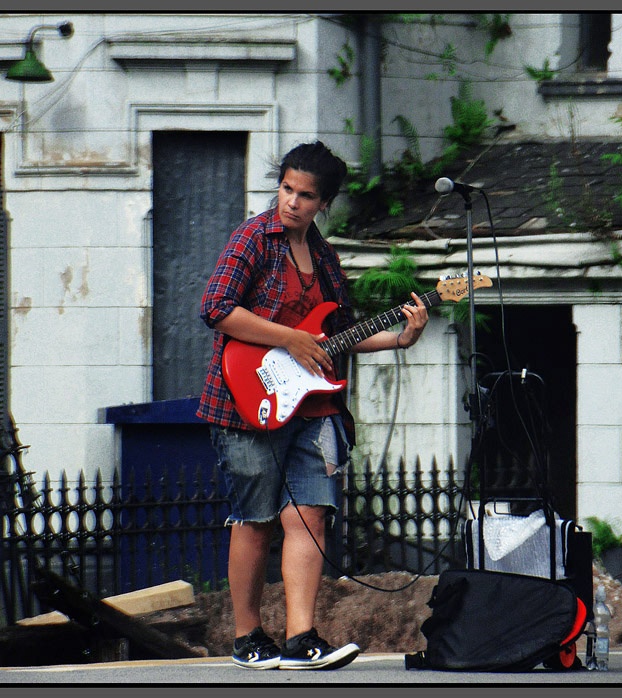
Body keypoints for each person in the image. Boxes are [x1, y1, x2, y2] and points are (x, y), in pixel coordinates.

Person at [197, 140, 429, 670]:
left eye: (305, 195)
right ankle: (248, 638)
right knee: (254, 519)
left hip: (310, 404)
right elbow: (215, 308)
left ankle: (302, 637)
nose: (291, 203)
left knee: (310, 516)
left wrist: (399, 339)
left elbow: (338, 335)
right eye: (286, 189)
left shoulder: (324, 256)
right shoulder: (254, 238)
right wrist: (289, 339)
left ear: (324, 202)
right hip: (246, 398)